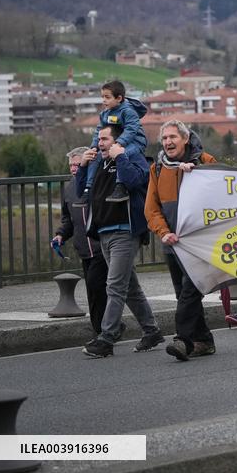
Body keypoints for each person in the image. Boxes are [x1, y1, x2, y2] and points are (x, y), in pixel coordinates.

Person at [76, 124, 162, 357]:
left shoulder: (133, 159)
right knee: (130, 288)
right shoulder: (99, 165)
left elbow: (135, 181)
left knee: (114, 286)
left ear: (117, 141)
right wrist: (83, 166)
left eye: (105, 139)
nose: (100, 142)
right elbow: (81, 192)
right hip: (104, 232)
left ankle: (107, 338)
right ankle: (152, 331)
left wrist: (121, 157)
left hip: (125, 232)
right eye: (98, 138)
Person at [144, 120, 218, 361]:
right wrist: (163, 232)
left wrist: (197, 175)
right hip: (172, 242)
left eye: (173, 137)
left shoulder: (205, 162)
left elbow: (221, 197)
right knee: (182, 294)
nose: (168, 142)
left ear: (186, 139)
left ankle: (182, 340)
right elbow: (151, 208)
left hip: (198, 244)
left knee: (190, 291)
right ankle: (204, 341)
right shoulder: (157, 168)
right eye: (164, 138)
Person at [53, 147, 107, 338]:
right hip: (84, 249)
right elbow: (68, 219)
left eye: (77, 164)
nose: (74, 169)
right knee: (93, 292)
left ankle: (105, 330)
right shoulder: (69, 188)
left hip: (102, 246)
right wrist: (60, 235)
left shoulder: (98, 182)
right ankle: (100, 329)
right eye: (71, 166)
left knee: (97, 286)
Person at [76, 80, 148, 206]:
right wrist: (93, 147)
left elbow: (131, 129)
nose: (104, 100)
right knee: (94, 158)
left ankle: (120, 186)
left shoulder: (128, 111)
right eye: (102, 97)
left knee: (121, 155)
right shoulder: (105, 113)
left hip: (135, 142)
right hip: (117, 142)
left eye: (107, 97)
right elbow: (99, 130)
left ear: (119, 98)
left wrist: (119, 143)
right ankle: (88, 190)